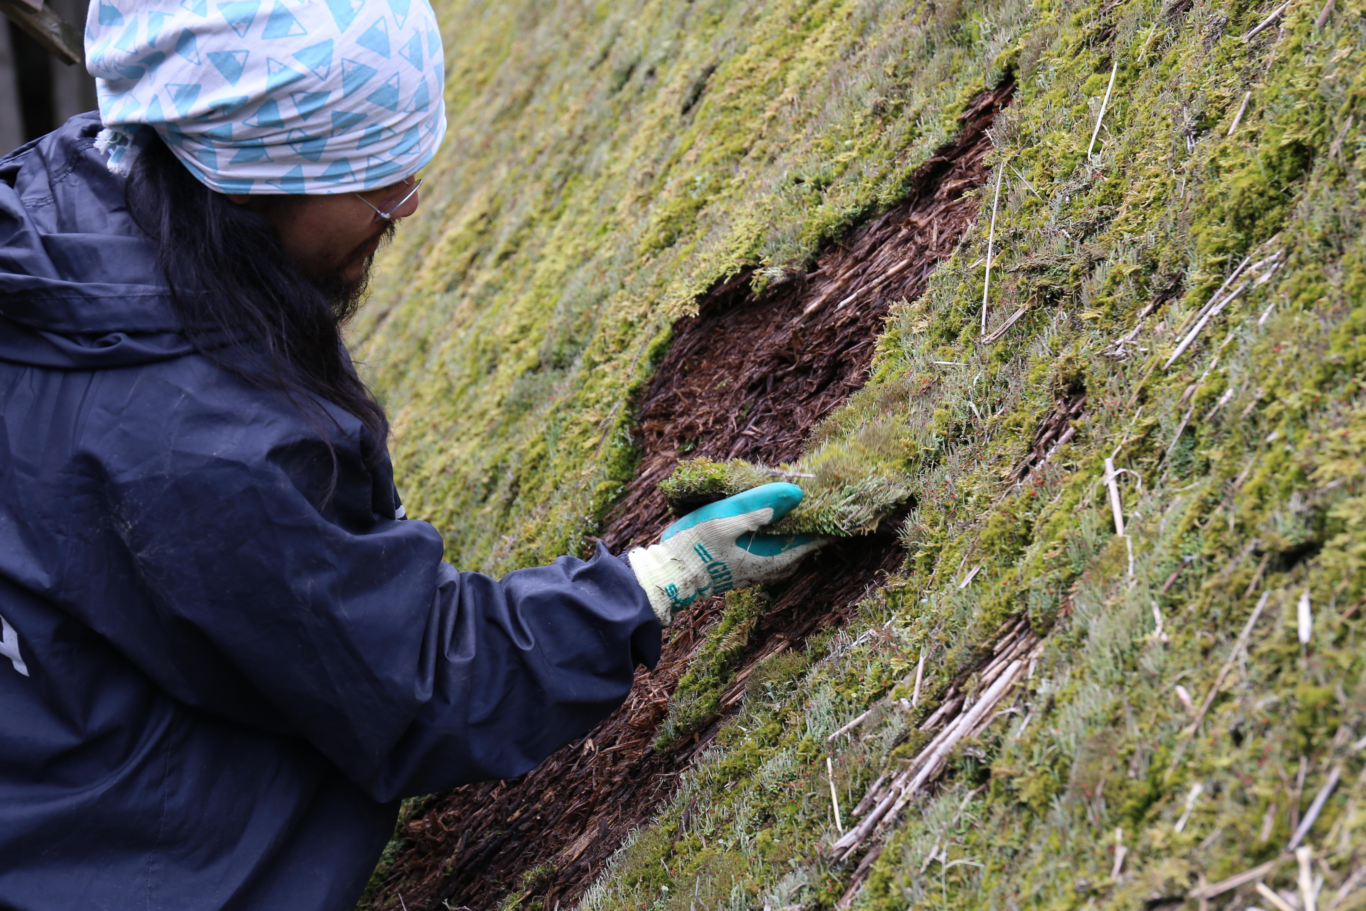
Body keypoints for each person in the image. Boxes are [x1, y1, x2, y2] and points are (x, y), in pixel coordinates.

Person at [0, 2, 824, 909]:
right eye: (374, 183)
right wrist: (653, 583)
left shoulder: (71, 209)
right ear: (246, 176)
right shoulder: (202, 449)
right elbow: (412, 680)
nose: (409, 204)